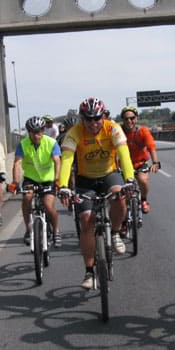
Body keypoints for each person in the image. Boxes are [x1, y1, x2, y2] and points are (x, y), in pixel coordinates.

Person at [58, 97, 135, 290]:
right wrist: (63, 186)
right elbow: (66, 160)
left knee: (119, 195)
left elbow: (124, 155)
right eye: (88, 119)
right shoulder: (74, 133)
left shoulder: (113, 128)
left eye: (97, 118)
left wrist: (129, 179)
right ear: (81, 119)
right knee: (86, 221)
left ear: (103, 117)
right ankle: (89, 272)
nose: (93, 123)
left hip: (109, 175)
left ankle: (115, 233)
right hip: (86, 180)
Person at [8, 116, 63, 247]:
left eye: (38, 132)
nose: (36, 135)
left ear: (43, 131)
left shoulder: (51, 143)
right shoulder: (23, 144)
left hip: (48, 179)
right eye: (33, 132)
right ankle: (28, 229)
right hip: (31, 178)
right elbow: (17, 163)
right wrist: (15, 182)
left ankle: (56, 230)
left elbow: (57, 161)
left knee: (48, 205)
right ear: (29, 132)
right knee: (27, 198)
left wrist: (57, 180)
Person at [119, 105, 161, 214]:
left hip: (139, 163)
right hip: (123, 165)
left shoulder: (142, 131)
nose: (129, 121)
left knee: (143, 180)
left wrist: (155, 162)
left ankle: (144, 200)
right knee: (120, 192)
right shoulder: (118, 132)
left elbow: (151, 147)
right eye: (126, 119)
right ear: (122, 120)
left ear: (136, 118)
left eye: (132, 118)